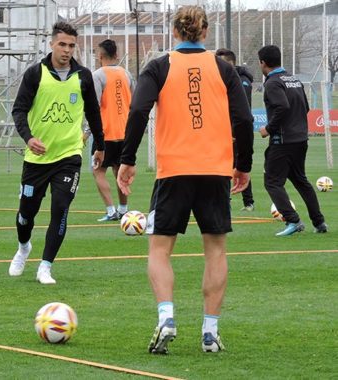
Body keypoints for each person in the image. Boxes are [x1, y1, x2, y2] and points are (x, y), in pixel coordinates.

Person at [117, 6, 254, 354]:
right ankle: (210, 331)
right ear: (205, 32)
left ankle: (166, 317)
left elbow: (137, 110)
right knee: (216, 251)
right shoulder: (224, 69)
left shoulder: (160, 66)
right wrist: (243, 164)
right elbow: (243, 117)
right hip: (215, 170)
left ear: (174, 32)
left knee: (160, 250)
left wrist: (128, 159)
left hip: (174, 171)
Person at [8, 21, 105, 285]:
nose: (66, 50)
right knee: (26, 214)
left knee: (60, 208)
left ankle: (45, 266)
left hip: (69, 156)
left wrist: (100, 146)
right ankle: (23, 247)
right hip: (36, 158)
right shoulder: (35, 74)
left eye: (71, 45)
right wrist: (29, 138)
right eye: (62, 44)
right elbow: (18, 110)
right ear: (51, 44)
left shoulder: (84, 76)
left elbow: (93, 113)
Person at [257, 45, 328, 236]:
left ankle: (293, 220)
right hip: (300, 139)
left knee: (272, 181)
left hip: (283, 141)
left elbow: (282, 107)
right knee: (300, 180)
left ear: (262, 63)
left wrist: (268, 129)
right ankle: (319, 222)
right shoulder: (294, 79)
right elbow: (305, 108)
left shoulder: (272, 83)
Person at [91, 39, 134, 221]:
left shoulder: (98, 75)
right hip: (125, 132)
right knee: (120, 171)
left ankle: (110, 211)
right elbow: (134, 101)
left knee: (98, 171)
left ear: (100, 56)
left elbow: (94, 105)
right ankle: (123, 209)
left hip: (105, 133)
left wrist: (87, 131)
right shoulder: (126, 74)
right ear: (116, 55)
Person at [216, 48, 256, 211]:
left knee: (239, 164)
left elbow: (241, 112)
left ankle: (248, 202)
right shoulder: (225, 78)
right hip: (223, 129)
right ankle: (227, 200)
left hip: (237, 131)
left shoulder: (242, 81)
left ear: (230, 63)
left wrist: (233, 132)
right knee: (227, 165)